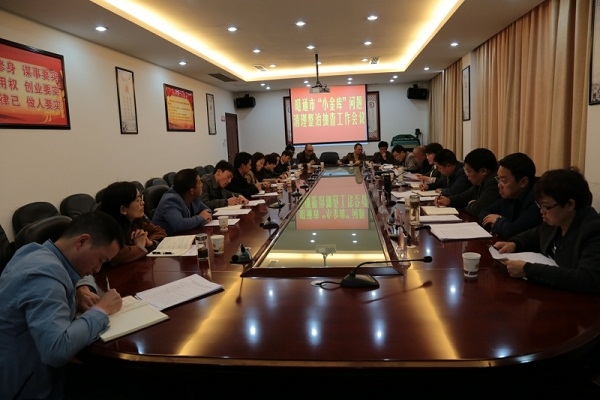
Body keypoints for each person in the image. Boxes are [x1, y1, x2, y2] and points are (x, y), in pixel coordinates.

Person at [0, 212, 125, 399]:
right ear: (82, 241)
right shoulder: (43, 276)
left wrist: (80, 288)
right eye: (101, 260)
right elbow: (56, 350)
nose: (98, 269)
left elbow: (76, 274)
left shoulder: (37, 252)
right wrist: (102, 309)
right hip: (28, 386)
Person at [493, 168, 600, 293]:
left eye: (547, 206)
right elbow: (537, 234)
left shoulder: (593, 231)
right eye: (540, 205)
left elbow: (588, 278)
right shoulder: (556, 221)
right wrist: (515, 243)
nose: (542, 211)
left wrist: (528, 269)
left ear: (570, 204)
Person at [99, 181, 166, 265]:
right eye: (138, 200)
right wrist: (140, 247)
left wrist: (150, 242)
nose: (143, 202)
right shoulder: (107, 229)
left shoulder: (135, 220)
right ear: (123, 209)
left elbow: (159, 231)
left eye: (141, 197)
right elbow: (117, 255)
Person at [479, 153, 542, 238]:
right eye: (498, 179)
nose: (499, 185)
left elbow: (512, 232)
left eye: (503, 181)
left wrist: (498, 220)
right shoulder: (510, 195)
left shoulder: (537, 199)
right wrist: (500, 224)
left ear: (523, 182)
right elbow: (483, 212)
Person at [434, 148, 499, 217]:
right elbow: (466, 195)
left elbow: (476, 210)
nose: (466, 174)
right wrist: (449, 200)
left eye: (468, 171)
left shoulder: (494, 183)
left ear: (483, 171)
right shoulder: (480, 181)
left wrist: (470, 204)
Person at [152, 168, 213, 235]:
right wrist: (201, 218)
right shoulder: (170, 200)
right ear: (191, 190)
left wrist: (204, 217)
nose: (202, 185)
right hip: (167, 238)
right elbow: (179, 224)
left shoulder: (194, 197)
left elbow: (207, 210)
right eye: (199, 183)